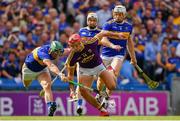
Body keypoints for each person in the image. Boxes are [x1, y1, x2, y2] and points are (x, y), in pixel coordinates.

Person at [63, 32, 122, 116]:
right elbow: (70, 76)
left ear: (81, 42)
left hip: (98, 65)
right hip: (85, 70)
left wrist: (117, 35)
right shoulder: (72, 57)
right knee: (83, 91)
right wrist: (72, 90)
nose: (76, 48)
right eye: (73, 47)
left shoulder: (91, 42)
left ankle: (110, 72)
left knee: (112, 86)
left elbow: (103, 33)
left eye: (77, 45)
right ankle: (102, 110)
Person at [97, 5, 137, 101]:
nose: (117, 16)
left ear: (124, 15)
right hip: (105, 55)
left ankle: (106, 98)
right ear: (113, 14)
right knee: (100, 80)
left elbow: (129, 43)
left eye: (120, 14)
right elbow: (102, 40)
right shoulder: (108, 24)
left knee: (113, 73)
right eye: (116, 14)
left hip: (118, 55)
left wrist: (133, 57)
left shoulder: (128, 27)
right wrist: (112, 46)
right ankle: (100, 93)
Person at [22, 41, 67, 116]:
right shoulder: (43, 52)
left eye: (58, 54)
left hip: (42, 70)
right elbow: (51, 66)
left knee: (47, 85)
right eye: (55, 53)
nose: (56, 55)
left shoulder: (57, 50)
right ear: (50, 50)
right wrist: (60, 74)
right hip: (28, 70)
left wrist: (74, 48)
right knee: (26, 85)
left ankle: (50, 106)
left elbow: (68, 50)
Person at [75, 12, 101, 115]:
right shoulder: (82, 31)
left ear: (97, 22)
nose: (92, 22)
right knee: (79, 84)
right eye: (90, 20)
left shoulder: (100, 32)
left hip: (94, 63)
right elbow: (77, 45)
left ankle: (98, 97)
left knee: (86, 87)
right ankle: (79, 106)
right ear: (87, 21)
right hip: (81, 61)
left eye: (94, 20)